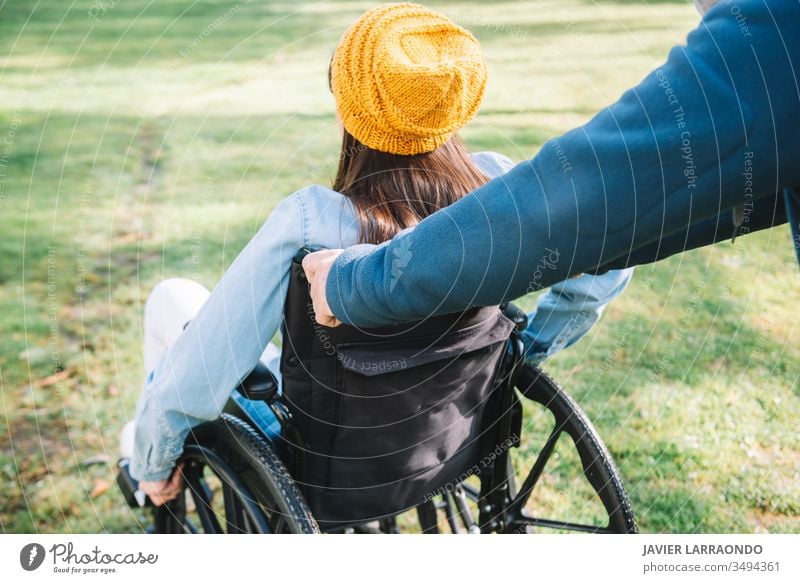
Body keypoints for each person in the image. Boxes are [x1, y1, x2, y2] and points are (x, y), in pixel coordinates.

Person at [123, 3, 632, 506]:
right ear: (458, 102)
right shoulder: (499, 189)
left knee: (174, 300)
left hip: (326, 461)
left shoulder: (310, 220)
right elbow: (609, 261)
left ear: (348, 106)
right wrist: (524, 349)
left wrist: (151, 460)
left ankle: (145, 474)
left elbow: (204, 368)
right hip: (456, 431)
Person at [302, 0, 800, 329]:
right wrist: (531, 342)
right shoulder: (490, 173)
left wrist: (353, 285)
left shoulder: (778, 36)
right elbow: (638, 214)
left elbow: (582, 201)